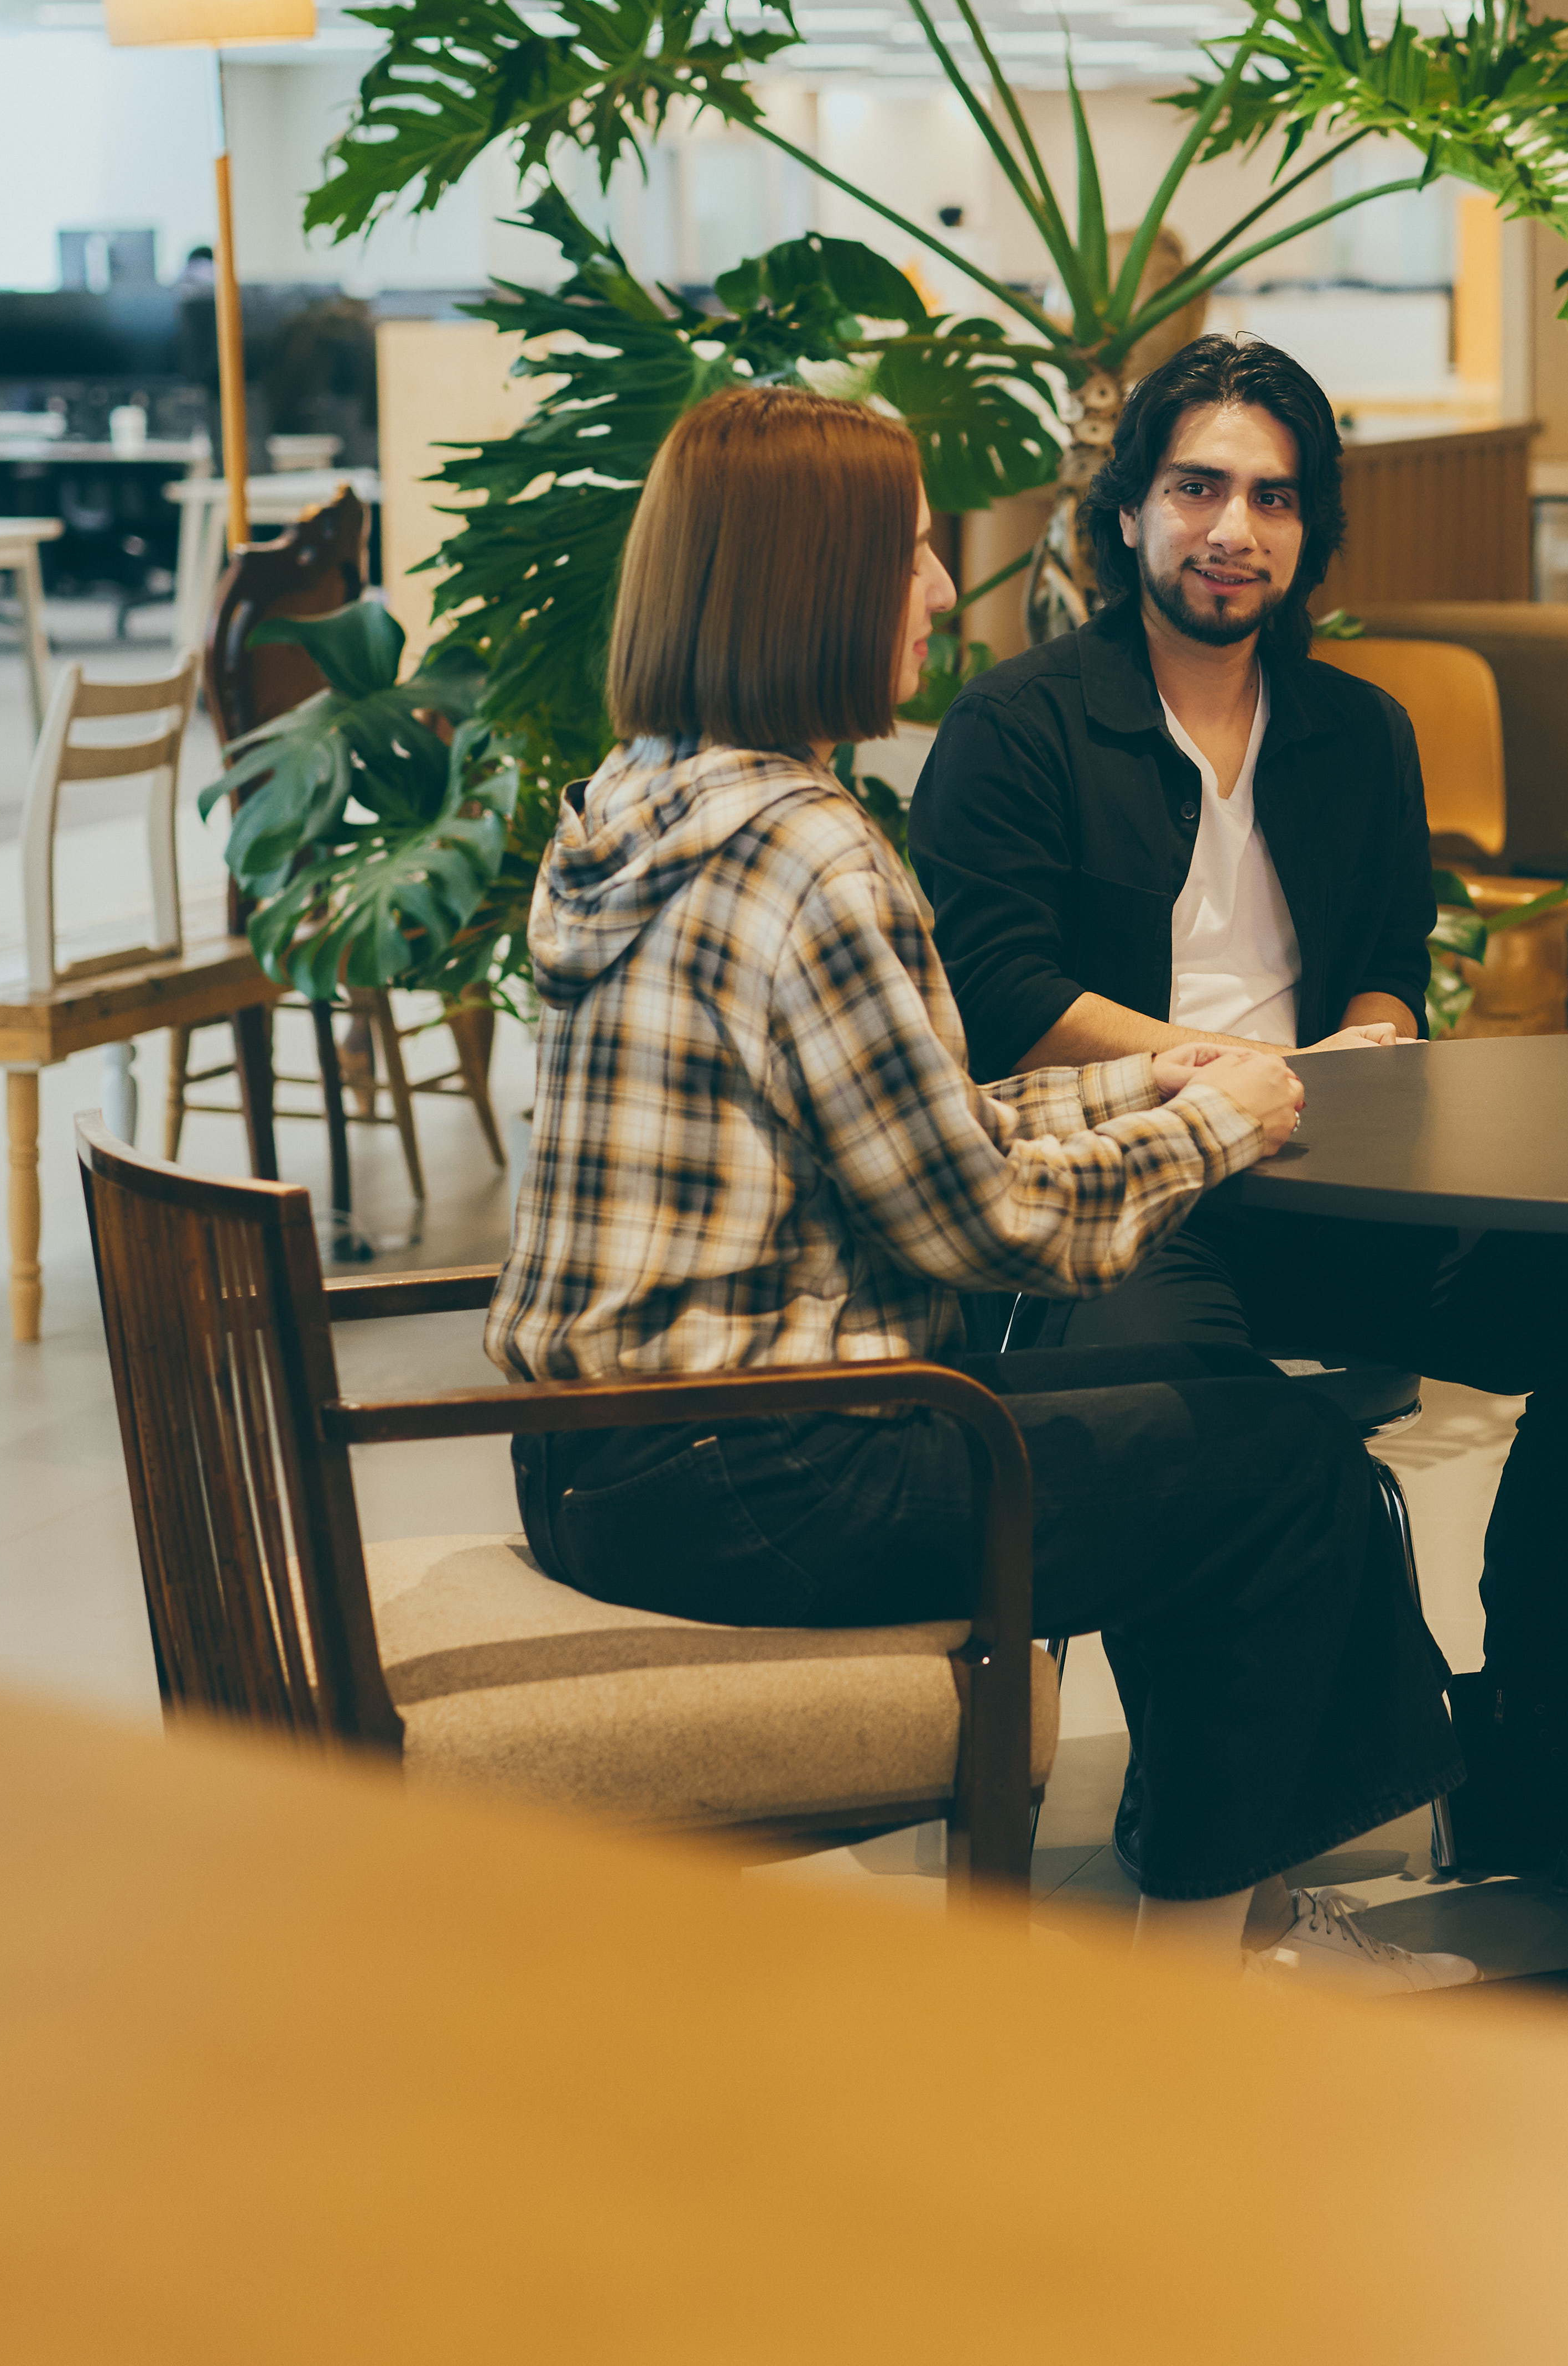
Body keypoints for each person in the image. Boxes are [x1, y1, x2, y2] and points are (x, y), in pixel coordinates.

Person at [491, 379, 1466, 1991]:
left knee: (1224, 1424)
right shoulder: (810, 854)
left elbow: (912, 1126)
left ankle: (1255, 1922)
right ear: (813, 585)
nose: (943, 590)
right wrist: (1220, 1126)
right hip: (767, 1481)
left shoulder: (641, 800)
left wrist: (1158, 1081)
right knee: (1282, 1472)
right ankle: (1193, 1988)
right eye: (911, 554)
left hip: (602, 1460)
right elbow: (989, 1227)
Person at [910, 333, 1568, 1898]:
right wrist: (1218, 1074)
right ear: (1128, 513)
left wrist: (1368, 1039)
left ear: (1309, 531)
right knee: (1203, 1416)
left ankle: (1524, 1735)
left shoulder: (1359, 729)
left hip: (1327, 1181)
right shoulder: (1018, 726)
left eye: (1274, 499)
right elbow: (1001, 992)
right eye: (1198, 490)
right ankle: (1213, 1790)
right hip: (1116, 1203)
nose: (1234, 530)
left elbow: (1384, 968)